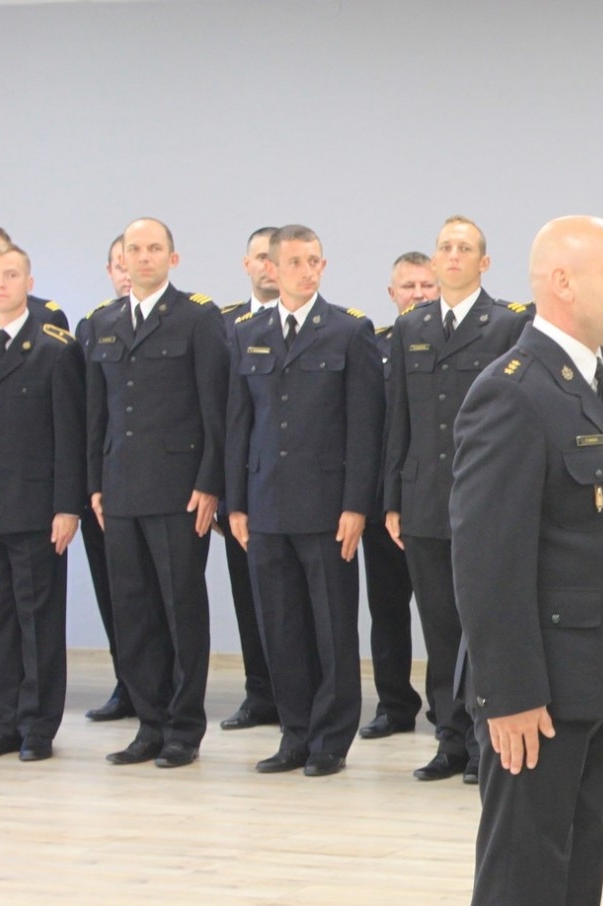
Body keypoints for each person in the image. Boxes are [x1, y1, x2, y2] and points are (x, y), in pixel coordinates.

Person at [450, 215, 603, 906]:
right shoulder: (514, 389)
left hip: (592, 688)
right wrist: (511, 694)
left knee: (569, 895)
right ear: (563, 283)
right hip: (538, 699)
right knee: (522, 893)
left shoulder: (585, 381)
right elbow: (486, 559)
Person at [225, 225, 384, 777]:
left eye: (314, 260)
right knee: (281, 627)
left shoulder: (348, 331)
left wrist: (356, 505)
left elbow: (365, 427)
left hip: (326, 507)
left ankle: (330, 741)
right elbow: (238, 423)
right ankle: (294, 734)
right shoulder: (247, 333)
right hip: (266, 504)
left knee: (332, 629)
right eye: (295, 261)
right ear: (271, 267)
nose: (307, 270)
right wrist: (236, 502)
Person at [383, 218, 529, 782]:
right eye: (445, 247)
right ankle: (450, 740)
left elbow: (516, 419)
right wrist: (393, 497)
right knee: (439, 626)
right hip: (423, 497)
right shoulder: (411, 326)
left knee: (482, 624)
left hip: (483, 499)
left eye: (464, 248)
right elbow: (399, 418)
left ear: (483, 262)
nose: (452, 256)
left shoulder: (508, 324)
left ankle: (482, 738)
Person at [86, 218, 228, 769]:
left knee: (180, 609)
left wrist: (210, 482)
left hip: (178, 491)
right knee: (133, 612)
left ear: (173, 257)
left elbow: (214, 408)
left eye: (154, 248)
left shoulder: (197, 318)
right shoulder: (102, 322)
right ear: (121, 259)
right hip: (119, 487)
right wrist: (94, 484)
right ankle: (149, 724)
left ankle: (183, 729)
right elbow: (96, 414)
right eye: (134, 249)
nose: (143, 257)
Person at [0, 243, 84, 761]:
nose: (0, 284)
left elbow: (69, 434)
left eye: (10, 275)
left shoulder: (54, 348)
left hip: (35, 509)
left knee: (37, 621)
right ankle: (3, 722)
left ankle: (38, 727)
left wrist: (67, 507)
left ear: (29, 282)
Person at [358, 251, 438, 741]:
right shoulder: (374, 347)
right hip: (382, 504)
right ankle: (393, 706)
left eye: (427, 285)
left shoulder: (451, 346)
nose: (418, 295)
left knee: (442, 615)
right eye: (408, 287)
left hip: (433, 501)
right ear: (392, 294)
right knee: (387, 612)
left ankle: (448, 708)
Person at [215, 227, 282, 731]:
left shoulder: (326, 325)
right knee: (248, 598)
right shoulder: (224, 326)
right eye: (261, 257)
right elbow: (221, 417)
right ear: (247, 264)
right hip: (245, 489)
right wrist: (226, 495)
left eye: (276, 258)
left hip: (296, 487)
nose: (268, 266)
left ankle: (300, 696)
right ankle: (260, 694)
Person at [75, 234, 136, 724]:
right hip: (104, 484)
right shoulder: (92, 326)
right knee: (115, 593)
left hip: (158, 484)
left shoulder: (188, 317)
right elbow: (88, 412)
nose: (127, 270)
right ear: (110, 271)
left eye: (134, 259)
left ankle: (168, 688)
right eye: (119, 263)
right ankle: (128, 683)